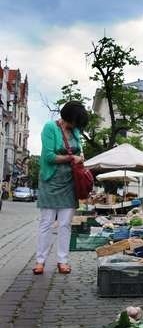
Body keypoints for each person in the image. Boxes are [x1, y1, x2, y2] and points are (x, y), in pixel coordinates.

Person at [33, 101, 88, 275]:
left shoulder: (76, 131)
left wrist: (80, 158)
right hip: (50, 180)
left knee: (65, 225)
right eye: (76, 122)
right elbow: (49, 156)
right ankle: (40, 261)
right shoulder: (50, 128)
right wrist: (72, 159)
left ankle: (62, 261)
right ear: (68, 117)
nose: (77, 126)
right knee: (46, 223)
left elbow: (79, 152)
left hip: (69, 182)